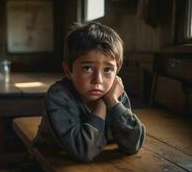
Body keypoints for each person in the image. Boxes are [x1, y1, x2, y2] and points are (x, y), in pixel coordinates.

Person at [33, 21, 146, 162]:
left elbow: (133, 145)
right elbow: (83, 151)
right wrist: (103, 104)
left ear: (118, 69)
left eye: (108, 70)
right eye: (87, 68)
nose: (97, 80)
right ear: (68, 70)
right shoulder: (59, 96)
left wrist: (113, 102)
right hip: (45, 170)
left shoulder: (115, 95)